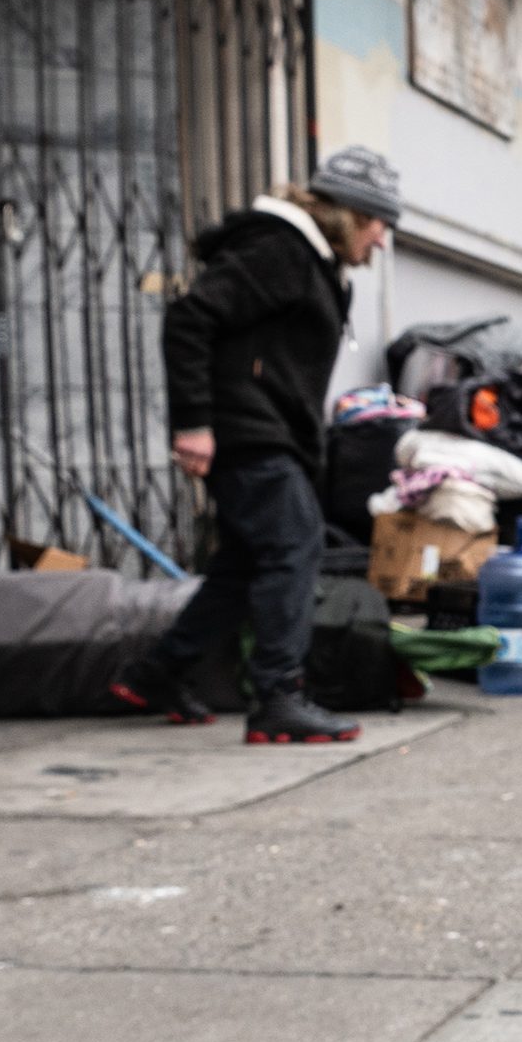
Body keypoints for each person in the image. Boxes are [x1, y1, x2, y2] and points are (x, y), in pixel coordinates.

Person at [112, 148, 401, 743]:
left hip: (269, 433)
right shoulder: (281, 252)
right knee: (294, 548)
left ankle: (157, 674)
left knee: (243, 568)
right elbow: (189, 320)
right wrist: (193, 424)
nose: (381, 242)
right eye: (379, 225)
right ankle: (278, 696)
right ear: (350, 215)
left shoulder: (312, 263)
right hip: (249, 434)